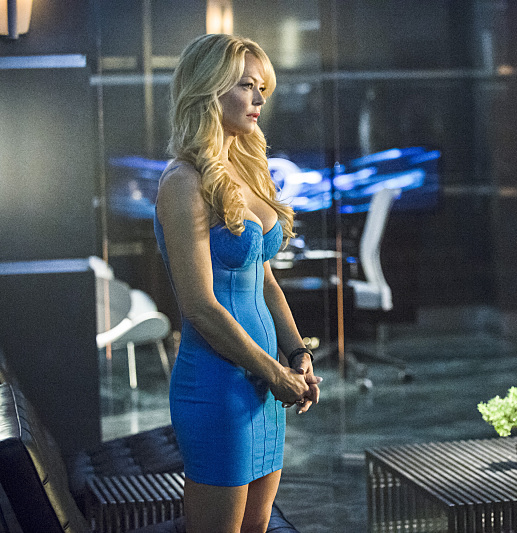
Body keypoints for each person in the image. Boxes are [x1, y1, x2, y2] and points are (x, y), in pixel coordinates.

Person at [153, 34, 322, 533]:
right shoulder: (183, 182)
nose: (258, 98)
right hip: (218, 385)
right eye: (246, 86)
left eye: (261, 87)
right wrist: (274, 373)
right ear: (209, 89)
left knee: (258, 527)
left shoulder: (245, 171)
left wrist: (297, 353)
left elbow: (264, 279)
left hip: (266, 383)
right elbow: (200, 307)